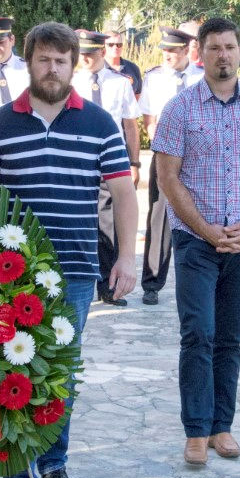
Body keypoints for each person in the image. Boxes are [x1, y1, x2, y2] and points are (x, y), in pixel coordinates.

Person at [0, 21, 137, 478]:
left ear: (72, 65)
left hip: (77, 270)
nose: (52, 68)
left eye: (61, 61)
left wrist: (127, 257)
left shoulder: (101, 124)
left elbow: (124, 193)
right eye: (43, 59)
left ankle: (54, 461)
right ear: (29, 62)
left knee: (59, 373)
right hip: (11, 275)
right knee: (12, 376)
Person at [152, 18, 240, 466]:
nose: (222, 55)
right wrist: (207, 230)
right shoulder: (179, 109)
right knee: (198, 334)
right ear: (201, 54)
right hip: (195, 241)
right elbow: (168, 178)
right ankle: (196, 430)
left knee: (229, 337)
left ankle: (221, 426)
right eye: (213, 48)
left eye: (229, 46)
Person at [71, 29, 141, 305]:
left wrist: (134, 162)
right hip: (78, 160)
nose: (86, 59)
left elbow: (130, 125)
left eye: (91, 53)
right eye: (82, 54)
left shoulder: (120, 82)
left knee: (109, 225)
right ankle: (80, 282)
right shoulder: (71, 82)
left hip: (110, 161)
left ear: (102, 52)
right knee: (81, 224)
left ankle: (108, 286)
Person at [139, 26, 203, 305]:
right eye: (164, 50)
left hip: (199, 157)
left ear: (187, 50)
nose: (167, 55)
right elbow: (149, 119)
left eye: (173, 51)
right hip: (166, 155)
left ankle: (199, 278)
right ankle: (152, 281)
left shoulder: (202, 77)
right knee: (159, 216)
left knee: (201, 215)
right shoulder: (153, 78)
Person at [103, 30, 142, 97]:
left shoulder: (133, 68)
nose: (115, 47)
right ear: (103, 46)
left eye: (119, 45)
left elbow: (138, 96)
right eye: (111, 45)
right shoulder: (98, 68)